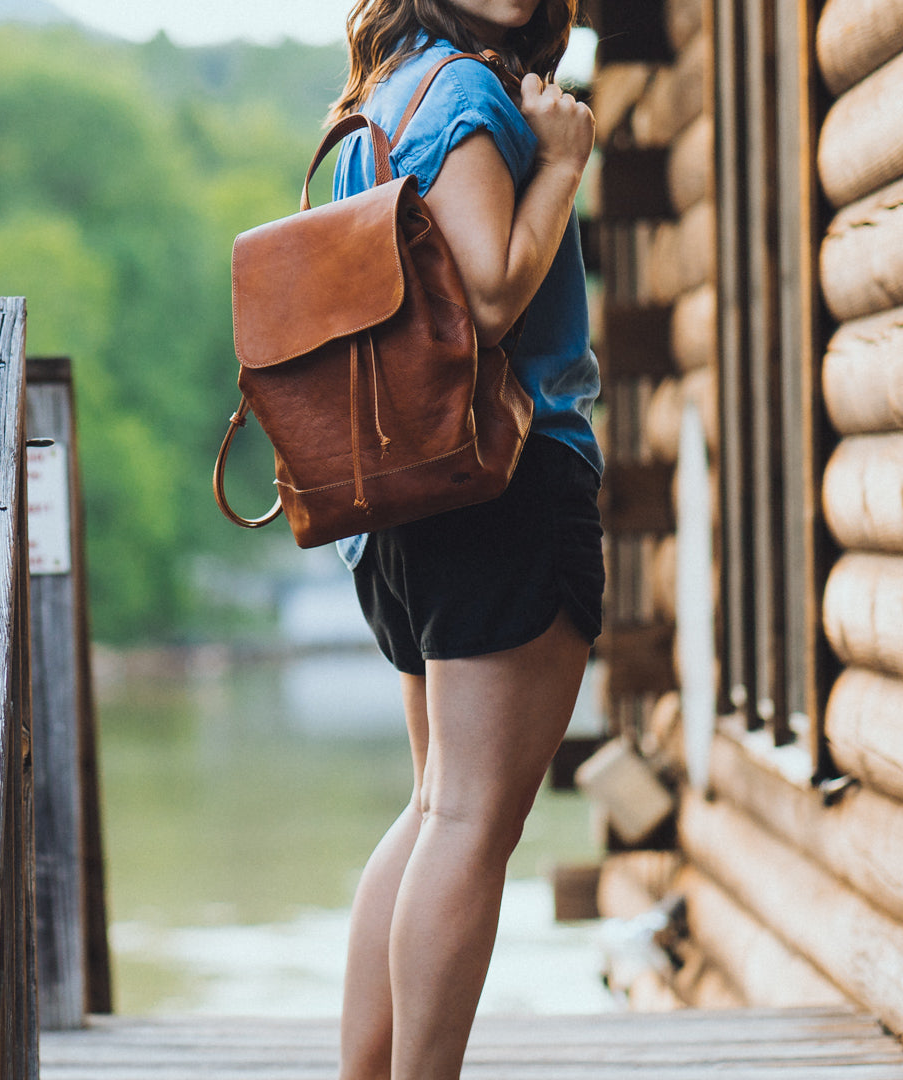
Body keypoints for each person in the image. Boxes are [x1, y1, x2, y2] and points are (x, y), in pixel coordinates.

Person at [326, 2, 603, 1079]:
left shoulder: (385, 94)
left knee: (438, 808)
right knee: (469, 822)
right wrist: (564, 163)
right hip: (501, 479)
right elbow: (490, 294)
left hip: (402, 495)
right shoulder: (465, 92)